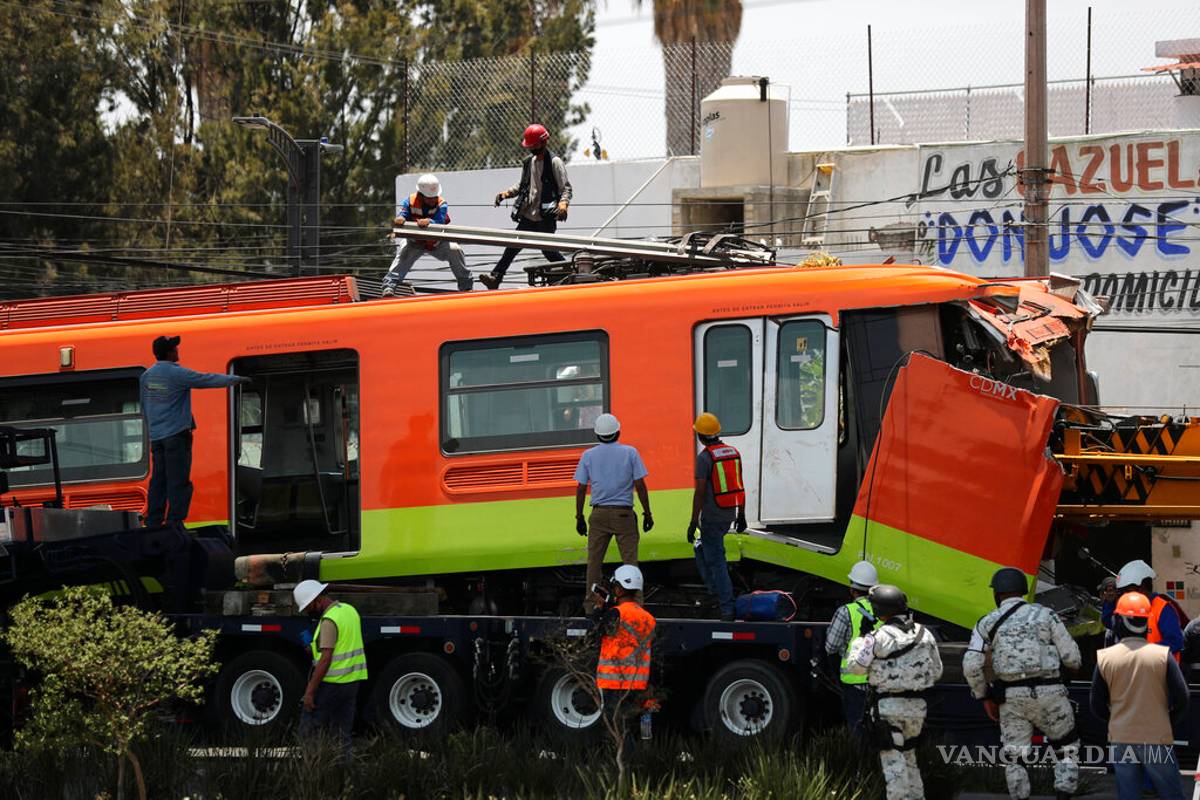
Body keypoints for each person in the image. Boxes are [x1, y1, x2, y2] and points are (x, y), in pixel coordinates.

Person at [963, 567, 1081, 800]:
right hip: (1051, 693)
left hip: (1012, 699)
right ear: (1024, 592)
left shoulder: (986, 622)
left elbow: (970, 665)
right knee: (1066, 748)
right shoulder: (1047, 615)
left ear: (997, 594)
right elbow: (1073, 658)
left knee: (1015, 757)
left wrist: (984, 696)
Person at [139, 335, 249, 527]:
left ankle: (154, 520)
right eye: (175, 348)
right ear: (170, 352)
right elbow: (206, 379)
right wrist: (236, 379)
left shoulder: (146, 377)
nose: (178, 351)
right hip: (176, 436)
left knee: (159, 480)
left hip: (157, 438)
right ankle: (175, 521)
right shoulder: (176, 373)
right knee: (178, 480)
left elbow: (144, 406)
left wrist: (154, 431)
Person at [845, 584, 942, 800]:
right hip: (918, 709)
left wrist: (861, 638)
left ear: (879, 611)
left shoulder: (877, 637)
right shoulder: (925, 634)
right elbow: (936, 671)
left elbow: (856, 667)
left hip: (889, 710)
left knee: (893, 763)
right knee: (909, 758)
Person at [1090, 591, 1189, 800]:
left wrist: (1116, 721)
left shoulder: (1105, 658)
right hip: (1156, 739)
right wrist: (1167, 721)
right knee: (1172, 794)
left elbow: (1096, 704)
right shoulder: (1162, 656)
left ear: (1119, 620)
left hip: (1122, 739)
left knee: (1128, 795)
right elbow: (1183, 698)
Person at [574, 413, 653, 613]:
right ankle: (634, 606)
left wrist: (580, 517)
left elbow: (581, 488)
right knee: (630, 562)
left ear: (597, 435)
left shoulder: (588, 455)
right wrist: (647, 513)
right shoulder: (630, 453)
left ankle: (591, 606)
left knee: (594, 562)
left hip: (598, 515)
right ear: (618, 431)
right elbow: (640, 486)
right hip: (624, 515)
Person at [480, 123, 571, 290]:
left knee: (548, 250)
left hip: (546, 215)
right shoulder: (529, 162)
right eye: (530, 146)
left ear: (543, 143)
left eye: (534, 145)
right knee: (513, 246)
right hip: (529, 214)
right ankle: (495, 277)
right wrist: (506, 194)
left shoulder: (555, 162)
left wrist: (563, 203)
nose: (531, 149)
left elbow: (565, 187)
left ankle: (570, 274)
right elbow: (523, 186)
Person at [294, 579, 368, 760]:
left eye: (308, 607)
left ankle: (313, 771)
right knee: (342, 735)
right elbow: (344, 643)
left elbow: (326, 659)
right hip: (351, 683)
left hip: (331, 685)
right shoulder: (349, 611)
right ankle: (344, 776)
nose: (308, 612)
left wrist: (310, 693)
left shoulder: (329, 620)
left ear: (316, 600)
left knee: (310, 729)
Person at [687, 412, 747, 621]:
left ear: (700, 436)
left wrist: (693, 521)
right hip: (728, 512)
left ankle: (726, 607)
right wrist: (741, 514)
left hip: (712, 517)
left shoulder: (704, 458)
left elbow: (700, 492)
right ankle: (714, 592)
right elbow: (739, 485)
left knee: (716, 562)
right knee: (700, 548)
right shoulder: (733, 452)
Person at [593, 565, 656, 746]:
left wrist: (600, 609)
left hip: (615, 684)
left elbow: (599, 633)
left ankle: (623, 766)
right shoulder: (648, 618)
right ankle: (639, 761)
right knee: (634, 726)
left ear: (618, 589)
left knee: (617, 729)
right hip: (638, 683)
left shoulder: (615, 614)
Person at [382, 173, 473, 295]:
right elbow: (402, 214)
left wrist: (429, 221)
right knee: (403, 256)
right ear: (421, 195)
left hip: (437, 242)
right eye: (429, 198)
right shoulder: (409, 202)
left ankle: (466, 286)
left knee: (455, 250)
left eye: (434, 196)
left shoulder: (442, 204)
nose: (433, 200)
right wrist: (400, 219)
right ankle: (389, 285)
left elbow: (440, 220)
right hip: (415, 242)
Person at [824, 560, 880, 735]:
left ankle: (862, 762)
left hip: (855, 684)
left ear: (852, 588)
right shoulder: (884, 611)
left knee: (858, 730)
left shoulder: (846, 611)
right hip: (881, 682)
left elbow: (830, 647)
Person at [1113, 560, 1184, 659]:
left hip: (1162, 671)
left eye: (1128, 591)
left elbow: (1175, 641)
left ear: (1141, 588)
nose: (1126, 595)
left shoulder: (1163, 609)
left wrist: (1145, 652)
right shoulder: (1131, 609)